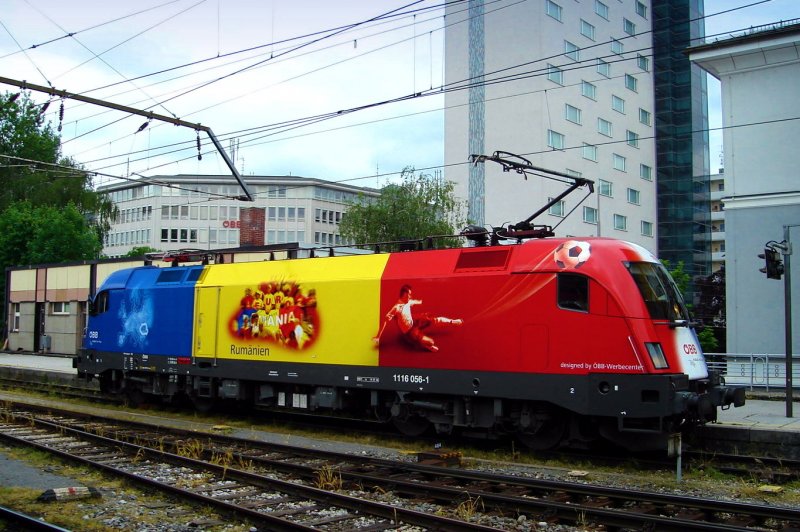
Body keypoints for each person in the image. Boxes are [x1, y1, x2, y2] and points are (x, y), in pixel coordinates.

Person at [373, 284, 462, 352]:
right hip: (409, 332)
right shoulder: (396, 308)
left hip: (414, 321)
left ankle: (452, 321)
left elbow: (416, 301)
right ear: (404, 294)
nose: (410, 296)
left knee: (432, 318)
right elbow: (384, 321)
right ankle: (425, 345)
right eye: (409, 294)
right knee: (431, 342)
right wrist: (378, 337)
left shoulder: (408, 301)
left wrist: (422, 300)